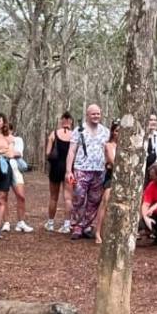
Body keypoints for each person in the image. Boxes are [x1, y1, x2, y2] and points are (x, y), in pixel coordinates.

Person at [65, 103, 110, 240]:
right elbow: (72, 150)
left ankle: (86, 225)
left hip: (99, 170)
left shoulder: (105, 131)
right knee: (79, 197)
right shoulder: (79, 130)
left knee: (95, 200)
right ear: (87, 115)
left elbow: (109, 150)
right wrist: (69, 170)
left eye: (98, 114)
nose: (96, 116)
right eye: (93, 114)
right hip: (81, 169)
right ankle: (77, 226)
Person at [44, 112, 74, 234]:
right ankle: (67, 224)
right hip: (70, 170)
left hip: (55, 168)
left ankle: (50, 223)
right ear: (71, 121)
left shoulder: (54, 134)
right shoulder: (74, 135)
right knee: (68, 198)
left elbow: (47, 153)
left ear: (62, 121)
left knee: (53, 197)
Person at [93, 120, 120, 244]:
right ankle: (98, 232)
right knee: (105, 201)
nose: (119, 134)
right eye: (117, 131)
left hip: (124, 179)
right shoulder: (108, 145)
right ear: (113, 132)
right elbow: (112, 161)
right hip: (111, 177)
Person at [6, 122, 34, 233]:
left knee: (21, 196)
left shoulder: (18, 140)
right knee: (3, 197)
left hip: (16, 169)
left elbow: (18, 153)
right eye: (4, 129)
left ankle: (21, 222)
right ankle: (6, 222)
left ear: (12, 130)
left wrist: (7, 152)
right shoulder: (0, 139)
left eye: (8, 129)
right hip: (3, 169)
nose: (6, 131)